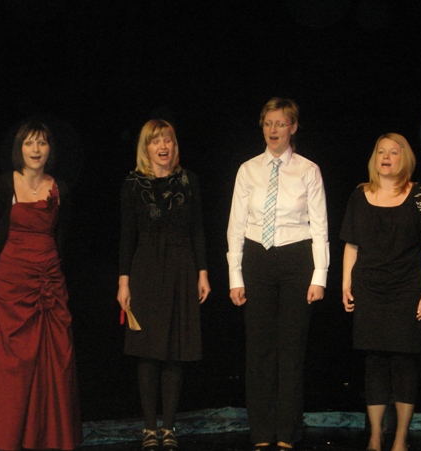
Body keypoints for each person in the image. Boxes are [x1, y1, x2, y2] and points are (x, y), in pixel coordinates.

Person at [0, 120, 81, 451]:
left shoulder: (59, 188)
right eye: (29, 143)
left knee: (53, 363)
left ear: (50, 149)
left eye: (42, 143)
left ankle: (45, 437)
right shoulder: (4, 185)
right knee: (8, 367)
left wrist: (50, 269)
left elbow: (62, 236)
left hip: (48, 285)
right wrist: (6, 269)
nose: (36, 149)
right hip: (10, 287)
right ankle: (5, 436)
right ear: (19, 149)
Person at [227, 98, 328, 451]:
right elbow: (236, 226)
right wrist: (235, 276)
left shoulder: (308, 170)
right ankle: (261, 431)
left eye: (280, 123)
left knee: (291, 349)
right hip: (257, 258)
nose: (273, 130)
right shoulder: (248, 170)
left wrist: (320, 275)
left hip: (296, 259)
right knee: (259, 350)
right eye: (268, 123)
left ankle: (286, 431)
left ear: (293, 127)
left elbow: (320, 225)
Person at [340, 133, 421, 451]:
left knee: (403, 361)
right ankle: (375, 435)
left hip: (407, 289)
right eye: (381, 151)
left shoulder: (420, 196)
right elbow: (351, 245)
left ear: (404, 158)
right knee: (374, 361)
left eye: (393, 152)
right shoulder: (359, 195)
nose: (386, 157)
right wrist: (345, 283)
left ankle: (400, 438)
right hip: (369, 288)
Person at [117, 119, 211, 451]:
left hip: (182, 266)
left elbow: (198, 229)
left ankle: (169, 427)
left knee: (174, 350)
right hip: (145, 268)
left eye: (168, 140)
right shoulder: (133, 184)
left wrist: (203, 272)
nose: (163, 146)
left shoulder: (189, 181)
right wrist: (123, 283)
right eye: (156, 141)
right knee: (147, 350)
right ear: (146, 147)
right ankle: (149, 428)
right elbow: (127, 235)